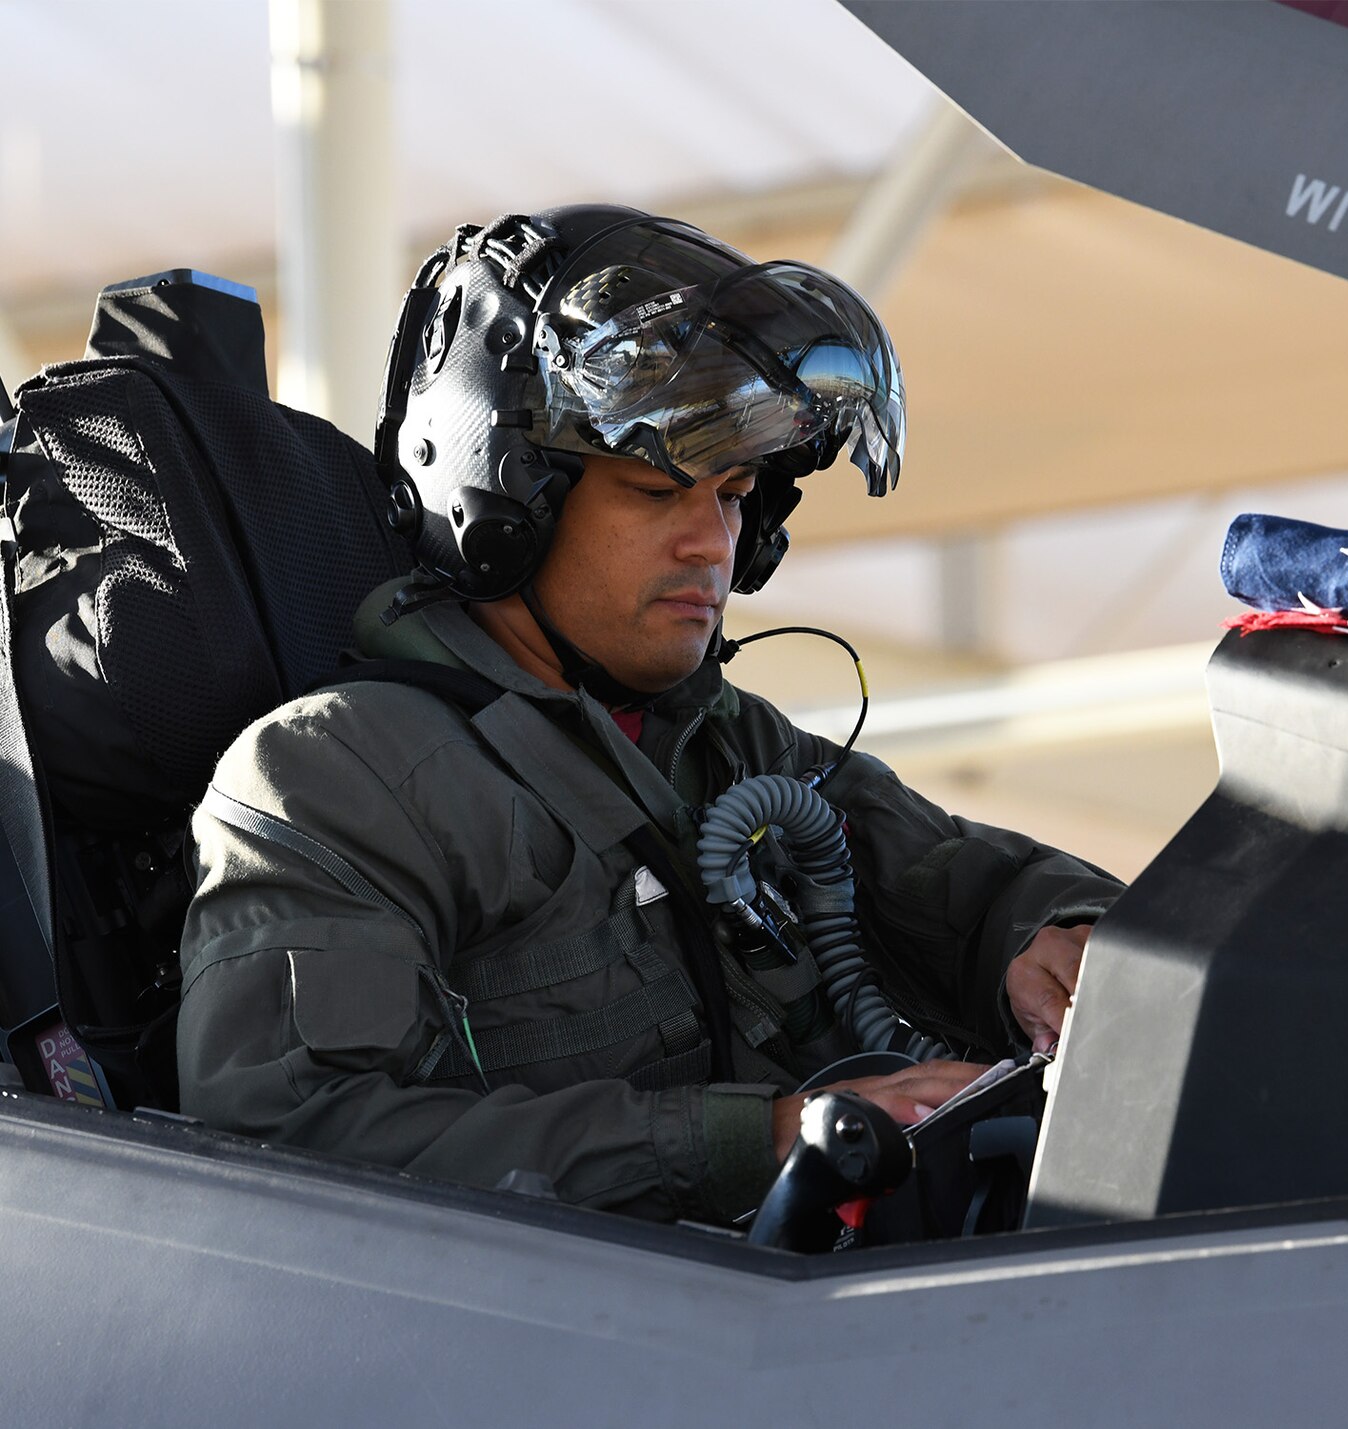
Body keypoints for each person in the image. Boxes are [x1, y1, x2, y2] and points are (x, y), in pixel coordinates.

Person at [175, 206, 1123, 1224]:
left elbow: (963, 882)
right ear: (508, 496)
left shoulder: (728, 743)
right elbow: (284, 1138)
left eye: (729, 492)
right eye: (651, 489)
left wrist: (1044, 936)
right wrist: (753, 1140)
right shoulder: (345, 774)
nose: (709, 543)